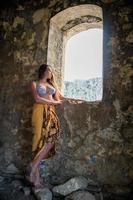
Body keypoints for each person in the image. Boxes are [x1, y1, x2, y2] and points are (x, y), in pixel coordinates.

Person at [25, 64, 83, 188]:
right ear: (43, 71)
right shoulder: (34, 83)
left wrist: (74, 99)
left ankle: (33, 165)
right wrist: (54, 102)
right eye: (48, 70)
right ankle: (36, 181)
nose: (50, 73)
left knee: (52, 138)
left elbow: (60, 98)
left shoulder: (52, 85)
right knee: (39, 141)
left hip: (51, 112)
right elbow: (37, 99)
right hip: (39, 112)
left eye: (51, 71)